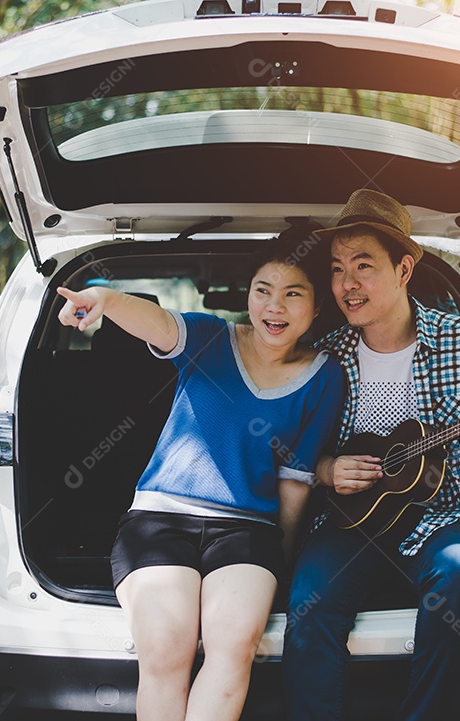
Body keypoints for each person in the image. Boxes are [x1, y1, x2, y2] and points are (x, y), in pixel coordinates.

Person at [56, 239, 345, 721]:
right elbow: (159, 322)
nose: (274, 305)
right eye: (263, 289)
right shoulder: (211, 337)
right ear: (248, 295)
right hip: (158, 521)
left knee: (231, 648)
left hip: (249, 533)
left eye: (294, 294)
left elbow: (295, 480)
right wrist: (105, 299)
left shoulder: (323, 376)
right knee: (168, 650)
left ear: (316, 309)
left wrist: (283, 561)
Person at [282, 189, 460, 721]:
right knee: (309, 604)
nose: (346, 284)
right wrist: (326, 469)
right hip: (350, 519)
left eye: (363, 266)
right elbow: (293, 452)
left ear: (404, 268)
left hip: (444, 515)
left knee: (459, 572)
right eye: (338, 268)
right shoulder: (329, 355)